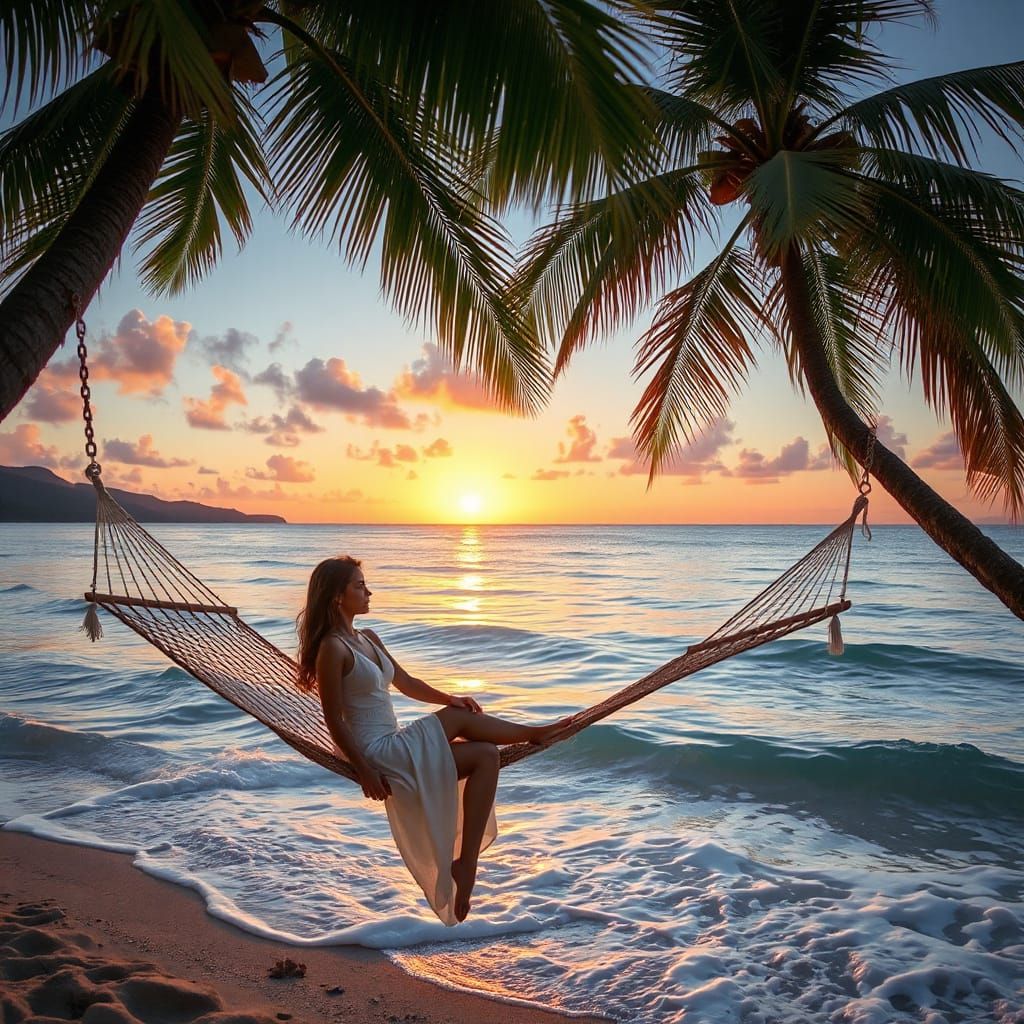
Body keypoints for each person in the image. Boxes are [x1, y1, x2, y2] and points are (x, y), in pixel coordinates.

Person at [296, 555, 570, 924]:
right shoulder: (333, 648)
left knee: (486, 755)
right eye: (359, 585)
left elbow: (407, 684)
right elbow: (333, 720)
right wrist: (363, 771)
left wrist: (448, 698)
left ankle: (466, 863)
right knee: (460, 721)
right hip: (376, 753)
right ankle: (533, 734)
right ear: (336, 596)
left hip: (392, 742)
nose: (368, 591)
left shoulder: (367, 639)